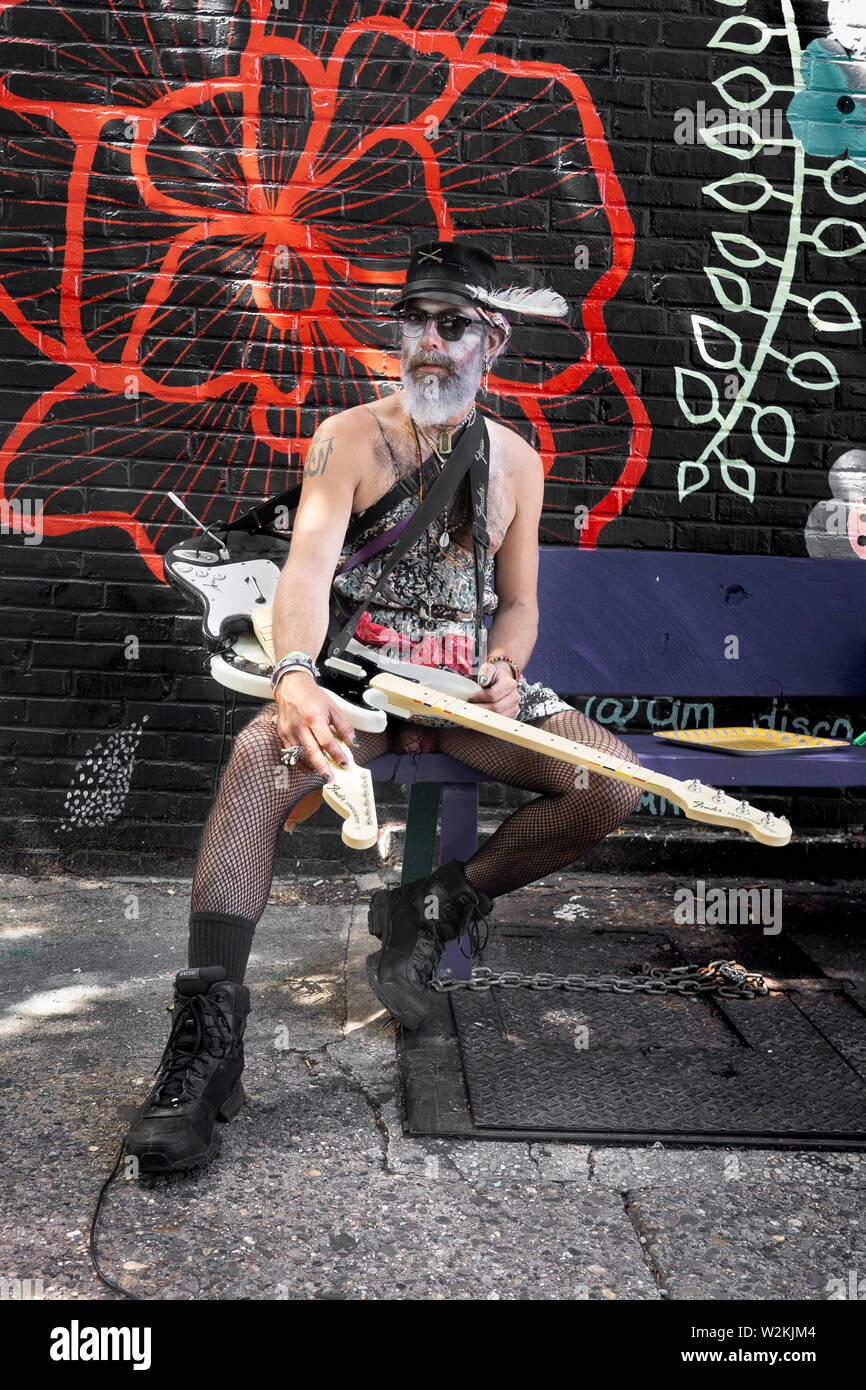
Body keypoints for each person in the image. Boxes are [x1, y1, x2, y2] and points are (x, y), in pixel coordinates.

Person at [125, 241, 643, 1174]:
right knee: (255, 761)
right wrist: (292, 674)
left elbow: (518, 601)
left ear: (494, 340)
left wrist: (503, 662)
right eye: (415, 322)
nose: (429, 344)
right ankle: (204, 1050)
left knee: (611, 785)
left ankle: (433, 908)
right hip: (358, 682)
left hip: (460, 689)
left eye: (453, 326)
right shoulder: (348, 437)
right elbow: (308, 568)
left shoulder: (519, 462)